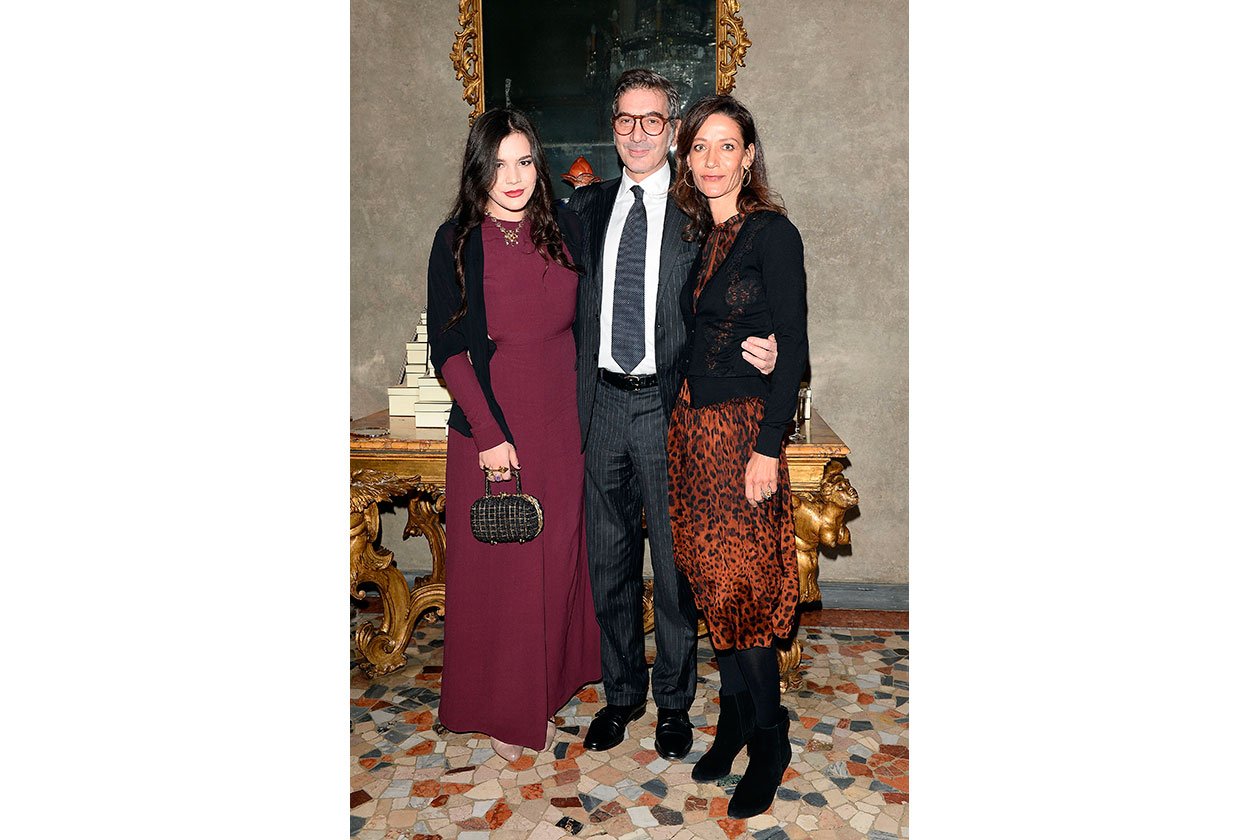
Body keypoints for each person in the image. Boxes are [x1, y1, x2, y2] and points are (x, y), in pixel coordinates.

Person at [566, 69, 779, 760]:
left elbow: (743, 288)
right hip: (601, 407)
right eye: (625, 121)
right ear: (613, 127)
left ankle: (674, 704)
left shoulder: (701, 213)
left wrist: (772, 343)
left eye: (652, 120)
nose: (638, 134)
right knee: (610, 564)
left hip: (670, 409)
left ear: (673, 130)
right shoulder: (586, 208)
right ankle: (621, 694)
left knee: (676, 569)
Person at [427, 107, 602, 762]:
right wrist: (489, 434)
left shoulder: (565, 231)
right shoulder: (455, 240)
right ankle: (501, 706)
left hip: (564, 426)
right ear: (478, 169)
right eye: (498, 164)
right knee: (505, 573)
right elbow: (449, 349)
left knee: (558, 561)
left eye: (525, 161)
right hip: (494, 428)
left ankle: (550, 685)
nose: (514, 176)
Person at [666, 94, 808, 818]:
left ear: (749, 156)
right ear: (686, 160)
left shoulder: (771, 234)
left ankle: (771, 741)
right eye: (700, 147)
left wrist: (767, 448)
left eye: (727, 146)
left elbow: (795, 346)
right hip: (694, 435)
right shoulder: (705, 240)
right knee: (713, 588)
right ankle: (733, 724)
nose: (713, 160)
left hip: (741, 437)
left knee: (743, 593)